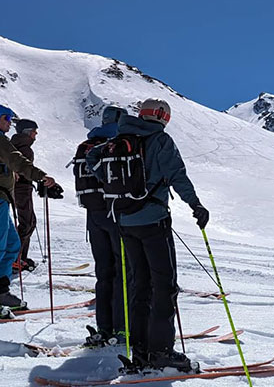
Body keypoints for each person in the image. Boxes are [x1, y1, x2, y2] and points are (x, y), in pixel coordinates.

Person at [89, 98, 209, 373]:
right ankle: (161, 352)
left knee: (139, 287)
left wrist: (109, 182)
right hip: (153, 222)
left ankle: (140, 352)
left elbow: (93, 159)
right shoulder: (160, 141)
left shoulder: (120, 137)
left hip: (125, 222)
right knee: (164, 287)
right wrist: (196, 205)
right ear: (163, 117)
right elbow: (177, 176)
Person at [0, 104, 56, 317]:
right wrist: (42, 177)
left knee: (11, 244)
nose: (9, 123)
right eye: (6, 118)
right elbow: (17, 161)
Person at [79, 105, 130, 348]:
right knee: (123, 272)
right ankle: (122, 329)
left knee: (104, 273)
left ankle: (104, 327)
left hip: (93, 216)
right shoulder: (115, 142)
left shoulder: (86, 145)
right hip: (114, 213)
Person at [10, 118, 40, 272]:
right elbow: (24, 169)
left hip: (16, 188)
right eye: (34, 132)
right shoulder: (25, 148)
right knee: (27, 223)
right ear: (27, 132)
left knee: (28, 222)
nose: (35, 135)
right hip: (22, 188)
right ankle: (16, 259)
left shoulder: (14, 145)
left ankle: (20, 257)